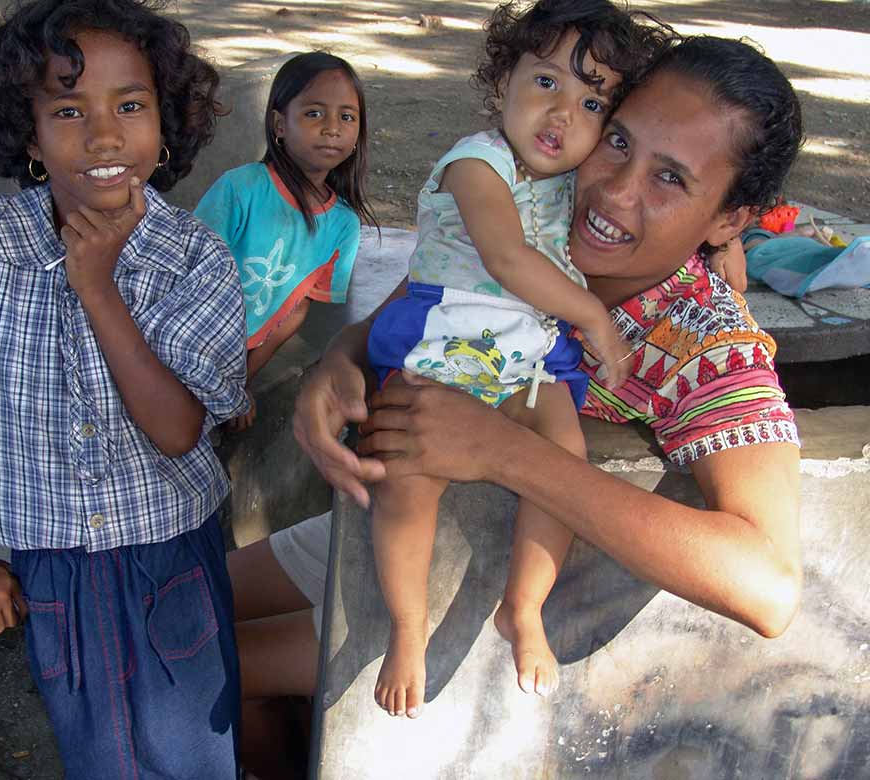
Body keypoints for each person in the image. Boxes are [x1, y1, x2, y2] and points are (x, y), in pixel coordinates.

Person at [288, 30, 804, 725]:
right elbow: (416, 297)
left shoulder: (705, 345)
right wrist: (336, 364)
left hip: (461, 602)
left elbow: (768, 588)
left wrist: (503, 450)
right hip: (381, 523)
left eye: (671, 177)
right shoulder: (536, 214)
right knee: (199, 614)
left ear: (730, 219)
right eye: (618, 141)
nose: (616, 192)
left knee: (212, 659)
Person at [0, 1, 248, 777]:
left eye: (131, 105)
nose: (104, 135)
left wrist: (97, 288)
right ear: (26, 133)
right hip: (52, 564)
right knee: (101, 755)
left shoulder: (196, 258)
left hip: (173, 558)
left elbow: (178, 431)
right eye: (68, 108)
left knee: (195, 750)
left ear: (166, 118)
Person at [364, 0, 671, 718]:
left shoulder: (570, 183)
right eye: (546, 84)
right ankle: (408, 628)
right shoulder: (477, 163)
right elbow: (504, 255)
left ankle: (523, 607)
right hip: (442, 348)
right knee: (407, 478)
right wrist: (591, 313)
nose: (562, 112)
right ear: (503, 80)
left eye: (592, 101)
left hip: (529, 359)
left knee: (563, 462)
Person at [195, 52, 378, 431]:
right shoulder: (240, 187)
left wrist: (237, 384)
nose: (332, 128)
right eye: (314, 113)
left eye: (347, 116)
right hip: (189, 335)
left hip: (243, 354)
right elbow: (191, 279)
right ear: (279, 124)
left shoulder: (343, 224)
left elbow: (293, 312)